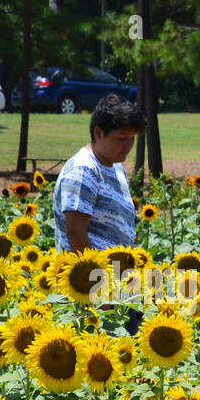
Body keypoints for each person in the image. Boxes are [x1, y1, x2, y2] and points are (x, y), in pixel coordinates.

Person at [53, 92, 145, 332]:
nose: (127, 146)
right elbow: (75, 234)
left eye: (132, 139)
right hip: (93, 297)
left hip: (120, 290)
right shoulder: (84, 170)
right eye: (121, 138)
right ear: (98, 133)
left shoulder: (114, 165)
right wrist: (101, 292)